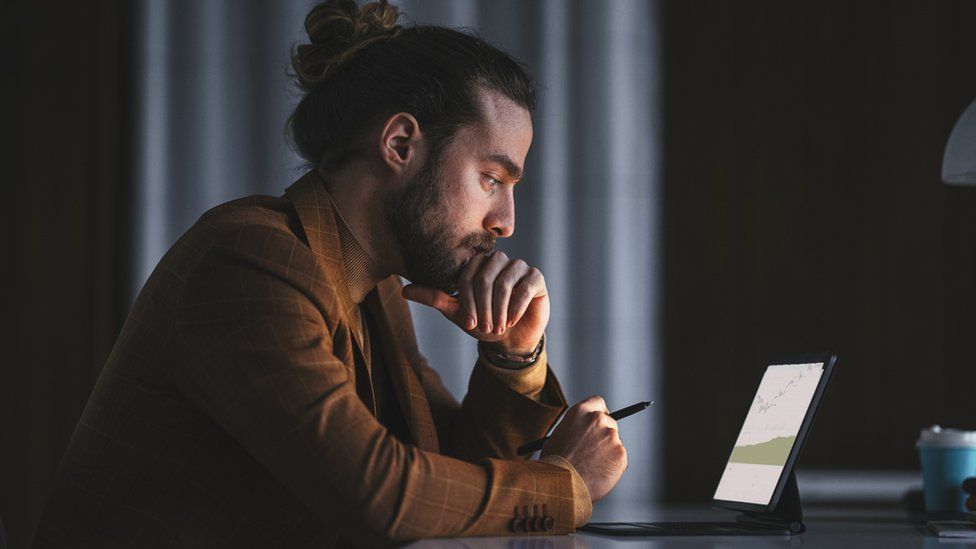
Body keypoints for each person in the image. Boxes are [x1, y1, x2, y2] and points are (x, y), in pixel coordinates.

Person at [33, 1, 627, 546]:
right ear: (399, 144)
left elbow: (446, 471)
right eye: (492, 179)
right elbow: (384, 496)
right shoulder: (247, 259)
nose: (505, 222)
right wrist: (564, 482)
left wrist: (512, 358)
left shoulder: (375, 292)